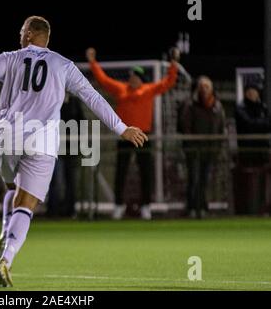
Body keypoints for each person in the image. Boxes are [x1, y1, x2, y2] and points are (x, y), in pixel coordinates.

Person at [0, 16, 148, 287]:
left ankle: (4, 231)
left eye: (22, 31)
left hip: (7, 136)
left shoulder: (11, 58)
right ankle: (6, 258)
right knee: (27, 203)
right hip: (41, 141)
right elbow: (92, 96)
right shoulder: (63, 65)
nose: (20, 35)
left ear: (32, 34)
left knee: (12, 188)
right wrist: (121, 128)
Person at [85, 47, 179, 220]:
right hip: (124, 135)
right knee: (121, 172)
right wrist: (92, 62)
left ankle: (146, 207)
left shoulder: (149, 89)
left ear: (141, 78)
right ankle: (118, 205)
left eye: (136, 76)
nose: (133, 78)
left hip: (143, 136)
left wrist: (174, 64)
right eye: (132, 76)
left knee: (146, 173)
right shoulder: (122, 89)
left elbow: (168, 82)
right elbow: (103, 80)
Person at [179, 76, 226, 219]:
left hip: (210, 150)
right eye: (202, 86)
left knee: (205, 180)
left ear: (211, 89)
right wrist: (190, 145)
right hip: (194, 150)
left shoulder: (217, 106)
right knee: (193, 178)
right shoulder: (190, 105)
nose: (204, 89)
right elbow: (185, 127)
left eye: (207, 86)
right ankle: (192, 207)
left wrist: (217, 147)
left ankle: (203, 207)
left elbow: (221, 128)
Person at [47, 94, 85, 217]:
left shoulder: (74, 103)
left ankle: (70, 211)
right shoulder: (52, 101)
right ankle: (53, 211)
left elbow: (82, 122)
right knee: (56, 181)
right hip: (55, 149)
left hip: (71, 149)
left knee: (71, 181)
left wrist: (79, 143)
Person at [234, 85, 270, 214]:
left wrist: (259, 124)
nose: (252, 94)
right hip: (247, 151)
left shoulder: (263, 107)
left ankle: (263, 208)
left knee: (263, 181)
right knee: (248, 181)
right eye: (249, 92)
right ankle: (248, 209)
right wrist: (262, 124)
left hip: (262, 150)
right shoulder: (240, 108)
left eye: (254, 92)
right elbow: (249, 125)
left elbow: (266, 124)